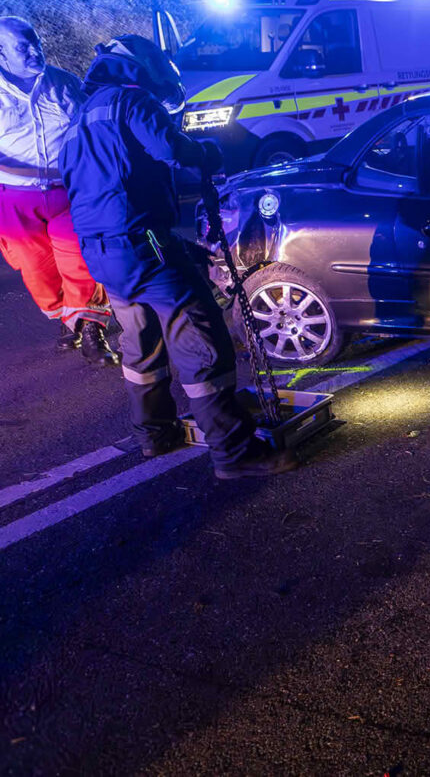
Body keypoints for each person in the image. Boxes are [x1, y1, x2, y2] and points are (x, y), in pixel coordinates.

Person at [59, 35, 296, 479]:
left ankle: (154, 435)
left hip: (103, 253)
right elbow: (172, 150)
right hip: (140, 243)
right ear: (142, 69)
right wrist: (206, 153)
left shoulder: (80, 116)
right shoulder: (131, 101)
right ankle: (234, 453)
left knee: (140, 342)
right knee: (200, 340)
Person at [0, 17, 116, 363]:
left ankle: (92, 327)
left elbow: (92, 132)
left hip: (70, 192)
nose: (35, 50)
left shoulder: (64, 84)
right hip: (17, 199)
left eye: (34, 41)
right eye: (23, 46)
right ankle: (67, 318)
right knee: (37, 270)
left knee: (81, 258)